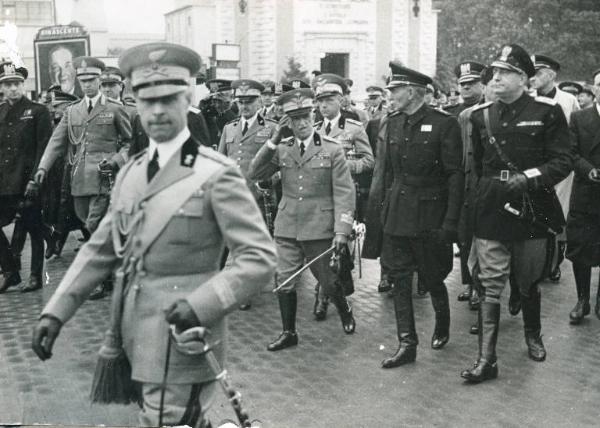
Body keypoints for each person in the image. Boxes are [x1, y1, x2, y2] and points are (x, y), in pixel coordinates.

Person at [31, 42, 276, 427]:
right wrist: (57, 311)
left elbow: (259, 258)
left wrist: (202, 304)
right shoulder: (132, 172)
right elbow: (101, 248)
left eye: (169, 99)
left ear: (188, 100)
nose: (157, 111)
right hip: (133, 334)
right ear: (135, 104)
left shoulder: (217, 172)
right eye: (146, 100)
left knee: (168, 421)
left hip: (187, 337)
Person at [461, 44, 571, 384]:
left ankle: (532, 335)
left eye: (504, 72)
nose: (496, 78)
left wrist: (529, 178)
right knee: (489, 284)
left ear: (523, 78)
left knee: (527, 280)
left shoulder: (548, 112)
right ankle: (486, 359)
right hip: (492, 207)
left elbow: (562, 161)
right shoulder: (481, 116)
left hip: (532, 206)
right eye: (494, 73)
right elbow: (477, 166)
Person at [368, 62, 463, 369]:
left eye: (395, 90)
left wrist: (450, 222)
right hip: (398, 213)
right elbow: (389, 172)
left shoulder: (444, 123)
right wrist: (383, 212)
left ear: (412, 92)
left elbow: (454, 176)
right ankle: (407, 343)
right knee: (398, 277)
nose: (390, 96)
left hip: (430, 215)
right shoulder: (392, 122)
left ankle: (442, 321)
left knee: (433, 275)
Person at [248, 87, 356, 351]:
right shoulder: (282, 148)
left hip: (319, 228)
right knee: (283, 280)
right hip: (287, 226)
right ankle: (289, 332)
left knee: (329, 282)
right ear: (289, 122)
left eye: (306, 116)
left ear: (313, 115)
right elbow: (255, 172)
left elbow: (344, 191)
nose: (303, 123)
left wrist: (342, 231)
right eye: (295, 119)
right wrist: (273, 140)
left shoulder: (331, 149)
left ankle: (345, 310)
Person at [34, 56, 133, 300]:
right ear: (78, 81)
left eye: (92, 80)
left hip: (105, 179)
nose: (87, 84)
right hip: (79, 181)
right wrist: (43, 168)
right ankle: (114, 273)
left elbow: (130, 143)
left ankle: (99, 280)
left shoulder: (114, 109)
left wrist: (116, 161)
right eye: (83, 80)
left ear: (100, 80)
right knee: (91, 227)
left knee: (93, 226)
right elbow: (57, 142)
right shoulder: (72, 111)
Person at [312, 73, 374, 319]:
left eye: (328, 101)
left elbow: (369, 161)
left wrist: (343, 165)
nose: (323, 106)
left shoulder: (353, 129)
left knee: (337, 249)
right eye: (319, 101)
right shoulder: (314, 130)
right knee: (321, 246)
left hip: (345, 196)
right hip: (320, 197)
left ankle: (323, 297)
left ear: (339, 101)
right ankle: (331, 292)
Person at [218, 79, 279, 310]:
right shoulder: (229, 128)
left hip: (258, 196)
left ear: (260, 100)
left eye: (249, 101)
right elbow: (221, 161)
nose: (244, 107)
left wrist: (269, 181)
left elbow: (281, 165)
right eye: (241, 102)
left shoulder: (271, 128)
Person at [0, 63, 52, 293]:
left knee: (34, 229)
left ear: (24, 85)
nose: (12, 89)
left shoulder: (38, 111)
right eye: (7, 84)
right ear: (1, 87)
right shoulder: (0, 111)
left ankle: (35, 276)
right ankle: (10, 271)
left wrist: (35, 180)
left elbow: (44, 148)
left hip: (27, 182)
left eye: (16, 84)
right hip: (4, 183)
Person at [530, 55, 580, 283]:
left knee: (559, 212)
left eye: (539, 72)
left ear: (551, 74)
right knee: (535, 212)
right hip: (534, 166)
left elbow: (576, 132)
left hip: (561, 167)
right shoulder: (526, 99)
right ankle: (538, 262)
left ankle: (555, 261)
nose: (534, 78)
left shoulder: (568, 100)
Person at [565, 94, 600, 324]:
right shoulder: (579, 117)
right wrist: (588, 170)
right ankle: (582, 299)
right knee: (580, 246)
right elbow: (570, 152)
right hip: (587, 193)